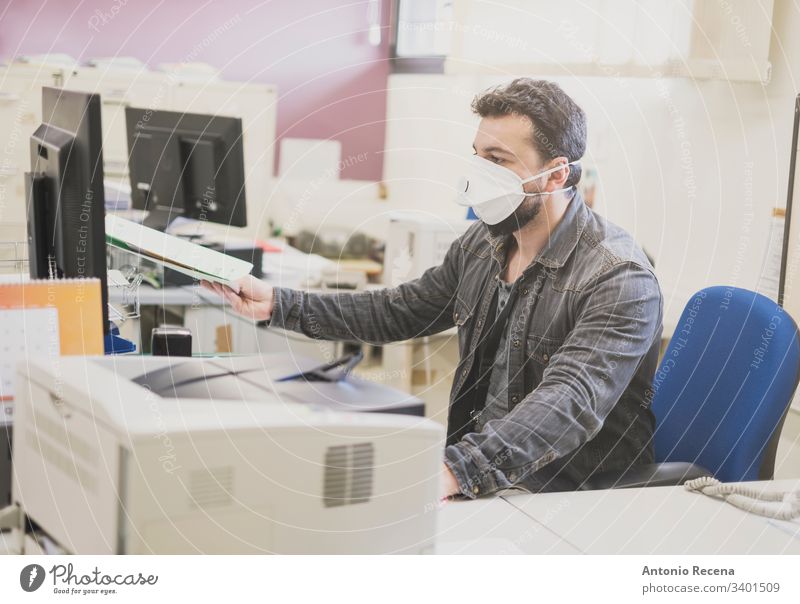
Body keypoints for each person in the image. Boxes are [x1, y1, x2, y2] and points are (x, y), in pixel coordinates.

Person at [203, 78, 663, 500]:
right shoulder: (485, 243)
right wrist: (280, 305)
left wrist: (455, 471)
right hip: (482, 479)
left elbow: (568, 401)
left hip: (566, 494)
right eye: (478, 156)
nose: (479, 174)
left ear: (556, 174)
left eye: (498, 161)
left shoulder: (618, 277)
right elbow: (401, 310)